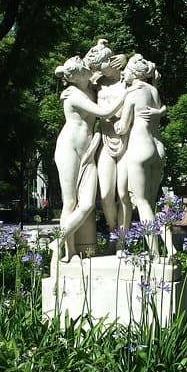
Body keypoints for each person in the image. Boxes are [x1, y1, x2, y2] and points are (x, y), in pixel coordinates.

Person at [53, 55, 123, 261]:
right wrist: (130, 92)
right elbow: (105, 111)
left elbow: (105, 65)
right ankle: (69, 251)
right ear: (76, 77)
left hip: (87, 151)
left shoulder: (89, 88)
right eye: (84, 68)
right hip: (69, 149)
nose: (88, 68)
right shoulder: (73, 94)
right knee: (70, 203)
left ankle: (56, 241)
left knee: (87, 205)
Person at [114, 53, 167, 254]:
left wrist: (113, 120)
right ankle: (166, 249)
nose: (123, 74)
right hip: (158, 148)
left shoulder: (133, 93)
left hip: (140, 146)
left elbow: (122, 128)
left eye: (125, 70)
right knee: (151, 204)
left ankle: (155, 255)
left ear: (133, 72)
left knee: (142, 202)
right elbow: (159, 112)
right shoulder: (153, 90)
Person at [83, 39, 128, 233]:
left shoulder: (128, 78)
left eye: (101, 66)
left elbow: (152, 73)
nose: (98, 70)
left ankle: (122, 240)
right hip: (106, 141)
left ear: (112, 60)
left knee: (124, 194)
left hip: (128, 141)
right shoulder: (95, 83)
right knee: (106, 195)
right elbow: (76, 73)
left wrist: (127, 58)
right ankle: (113, 231)